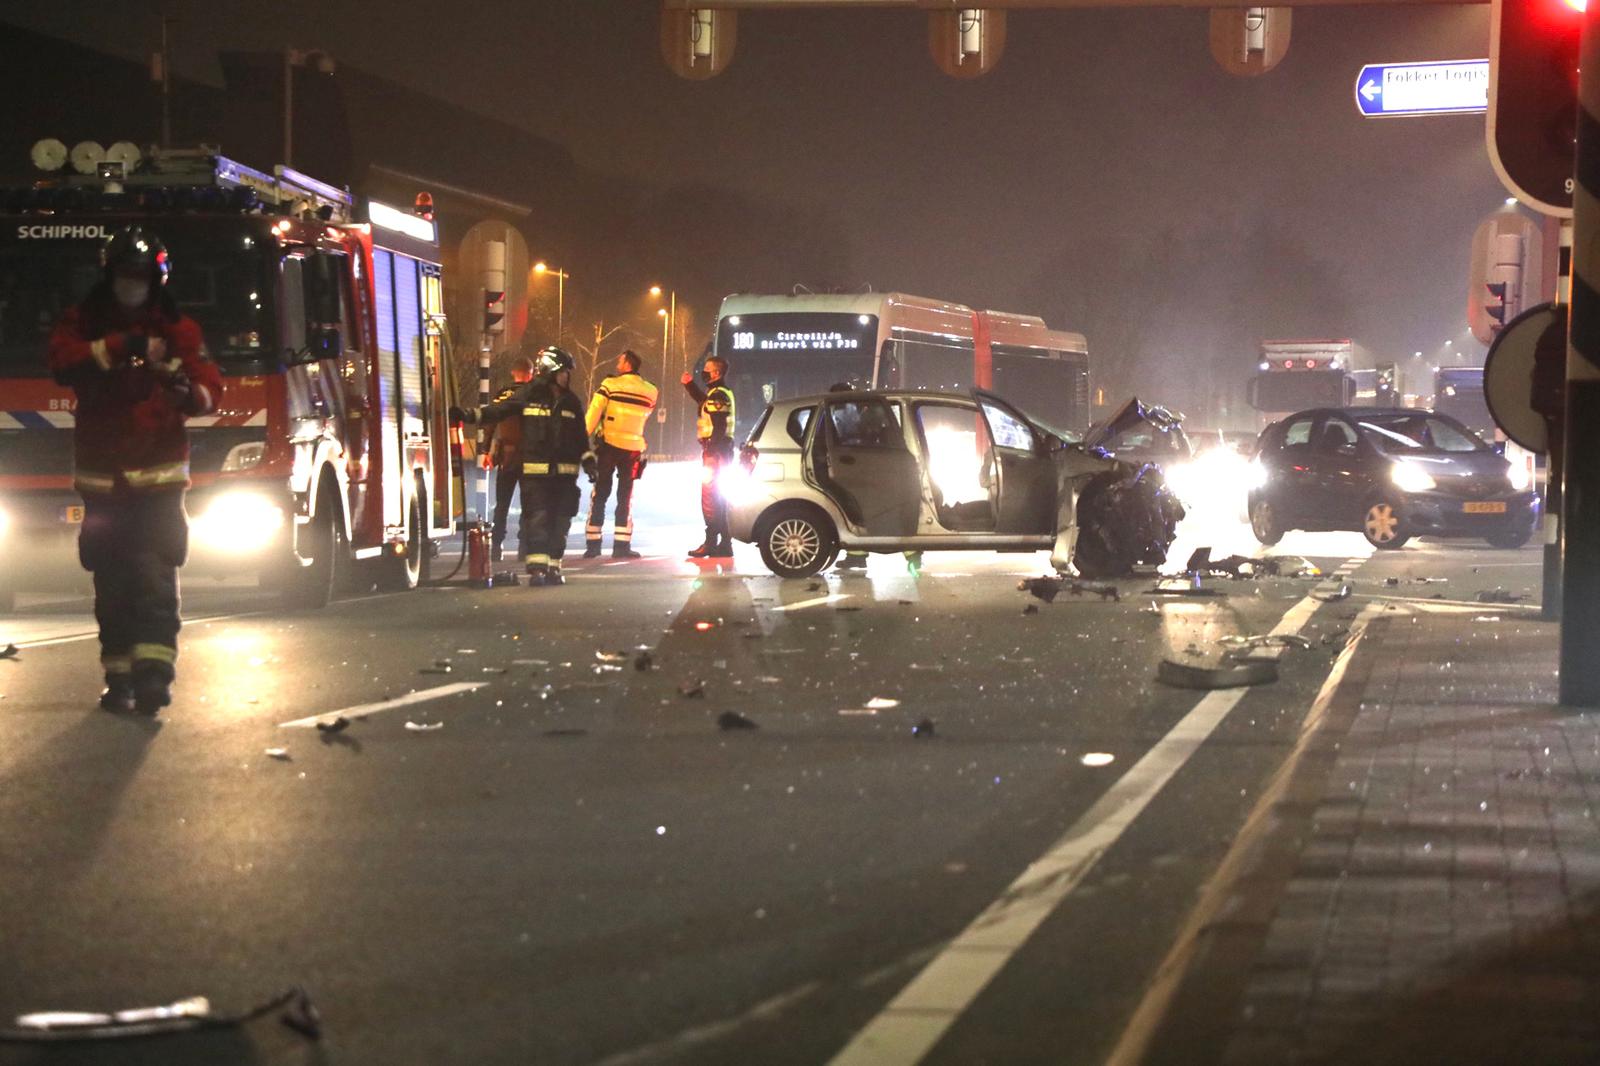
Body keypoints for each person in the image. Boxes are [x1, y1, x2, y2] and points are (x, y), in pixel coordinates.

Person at [47, 225, 223, 715]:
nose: (132, 285)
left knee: (153, 575)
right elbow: (63, 361)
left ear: (156, 279)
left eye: (139, 277)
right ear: (110, 276)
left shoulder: (178, 330)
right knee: (111, 581)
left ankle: (154, 675)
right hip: (103, 483)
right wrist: (118, 346)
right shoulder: (82, 322)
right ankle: (118, 677)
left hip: (159, 480)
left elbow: (209, 387)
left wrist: (186, 390)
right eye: (125, 276)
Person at [453, 347, 594, 586]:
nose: (567, 377)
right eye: (564, 372)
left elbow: (581, 436)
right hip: (537, 473)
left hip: (565, 476)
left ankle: (553, 567)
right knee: (537, 520)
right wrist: (469, 415)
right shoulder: (530, 394)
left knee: (560, 521)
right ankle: (537, 570)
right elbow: (500, 410)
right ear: (552, 371)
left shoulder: (571, 402)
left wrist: (589, 462)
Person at [583, 349, 658, 559]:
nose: (617, 362)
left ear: (627, 364)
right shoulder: (651, 391)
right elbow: (646, 413)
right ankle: (621, 546)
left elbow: (593, 415)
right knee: (625, 496)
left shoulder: (610, 386)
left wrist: (581, 440)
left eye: (620, 360)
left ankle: (593, 544)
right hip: (633, 449)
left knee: (600, 494)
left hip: (608, 445)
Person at [681, 355, 735, 559]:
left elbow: (719, 424)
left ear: (716, 373)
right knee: (719, 499)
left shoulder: (718, 394)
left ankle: (712, 542)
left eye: (706, 368)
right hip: (720, 451)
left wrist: (711, 449)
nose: (703, 371)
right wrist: (689, 385)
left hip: (715, 453)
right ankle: (724, 543)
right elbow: (705, 403)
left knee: (711, 499)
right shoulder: (718, 393)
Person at [486, 353, 537, 562]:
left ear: (513, 372)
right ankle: (524, 548)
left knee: (502, 503)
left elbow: (490, 423)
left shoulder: (502, 395)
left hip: (506, 457)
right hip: (531, 458)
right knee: (529, 505)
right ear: (531, 374)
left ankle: (496, 546)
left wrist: (484, 452)